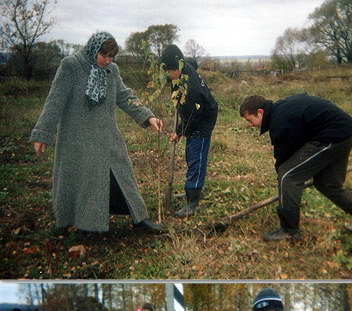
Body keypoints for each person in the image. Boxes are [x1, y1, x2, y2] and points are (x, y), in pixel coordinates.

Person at [30, 31, 164, 236]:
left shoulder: (112, 70)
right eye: (104, 56)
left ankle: (140, 219)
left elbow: (125, 96)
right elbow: (55, 101)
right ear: (94, 50)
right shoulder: (71, 66)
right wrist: (42, 133)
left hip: (107, 136)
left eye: (112, 57)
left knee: (122, 173)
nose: (108, 61)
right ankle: (84, 225)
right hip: (77, 139)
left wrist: (148, 116)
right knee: (85, 181)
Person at [239, 94, 352, 241]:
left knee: (287, 177)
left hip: (334, 135)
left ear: (260, 112)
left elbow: (284, 157)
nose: (250, 125)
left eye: (249, 120)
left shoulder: (280, 120)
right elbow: (291, 149)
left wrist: (284, 179)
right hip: (344, 132)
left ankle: (289, 230)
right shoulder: (280, 111)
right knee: (328, 184)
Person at [161, 44, 218, 217]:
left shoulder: (190, 88)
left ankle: (193, 202)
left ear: (178, 68)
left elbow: (192, 116)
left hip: (203, 120)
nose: (168, 75)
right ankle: (189, 191)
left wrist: (179, 131)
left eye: (171, 71)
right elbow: (192, 61)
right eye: (166, 71)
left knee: (196, 159)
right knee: (190, 154)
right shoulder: (184, 66)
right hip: (194, 116)